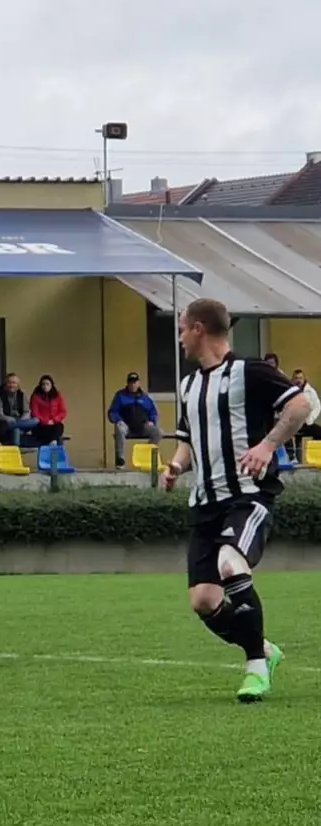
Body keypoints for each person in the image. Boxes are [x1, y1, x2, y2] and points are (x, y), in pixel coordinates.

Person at [161, 299, 309, 702]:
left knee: (231, 562)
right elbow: (189, 440)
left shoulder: (250, 371)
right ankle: (264, 648)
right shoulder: (189, 385)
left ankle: (255, 669)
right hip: (205, 503)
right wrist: (175, 466)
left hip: (248, 496)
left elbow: (301, 404)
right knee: (204, 601)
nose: (178, 339)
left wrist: (267, 445)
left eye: (180, 329)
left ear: (198, 329)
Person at [108, 372, 162, 469]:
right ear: (127, 383)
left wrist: (152, 421)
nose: (133, 385)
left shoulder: (145, 398)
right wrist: (118, 420)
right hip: (127, 426)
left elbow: (153, 412)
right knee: (119, 429)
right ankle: (120, 461)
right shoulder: (120, 396)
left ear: (138, 383)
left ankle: (148, 456)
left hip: (142, 426)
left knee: (158, 432)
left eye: (135, 382)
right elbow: (112, 412)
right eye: (131, 383)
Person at [0, 374, 38, 447]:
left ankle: (16, 431)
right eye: (9, 382)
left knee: (35, 420)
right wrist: (12, 420)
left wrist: (20, 421)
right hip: (4, 423)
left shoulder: (22, 394)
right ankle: (17, 449)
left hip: (20, 421)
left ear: (18, 385)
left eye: (14, 383)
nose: (11, 385)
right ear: (5, 384)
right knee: (15, 430)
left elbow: (27, 411)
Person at [29, 375, 66, 445]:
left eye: (47, 384)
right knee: (40, 431)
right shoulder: (36, 396)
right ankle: (52, 441)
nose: (45, 386)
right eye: (43, 384)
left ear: (51, 385)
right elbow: (34, 412)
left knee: (59, 427)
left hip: (54, 423)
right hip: (40, 424)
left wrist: (54, 420)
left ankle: (53, 441)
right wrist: (45, 421)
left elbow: (63, 411)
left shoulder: (57, 395)